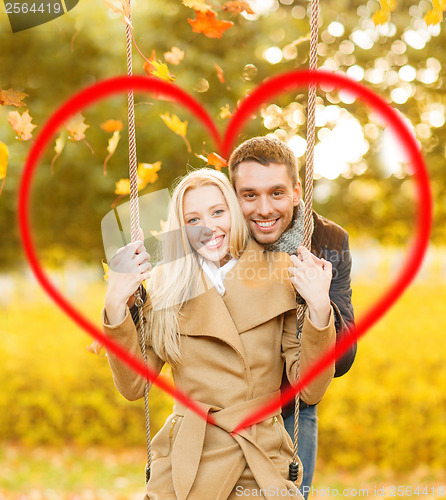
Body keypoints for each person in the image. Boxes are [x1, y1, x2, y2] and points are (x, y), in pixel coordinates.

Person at [103, 168, 336, 499]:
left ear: (234, 213)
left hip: (260, 458)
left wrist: (319, 309)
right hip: (188, 458)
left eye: (218, 212)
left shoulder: (283, 272)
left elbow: (310, 390)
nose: (209, 228)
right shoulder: (166, 287)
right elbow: (133, 386)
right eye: (193, 219)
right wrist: (115, 305)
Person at [227, 136, 356, 498]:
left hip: (290, 412)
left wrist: (317, 306)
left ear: (297, 192)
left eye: (277, 193)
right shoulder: (216, 235)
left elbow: (343, 360)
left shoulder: (327, 240)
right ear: (232, 194)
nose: (264, 209)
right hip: (224, 412)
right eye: (249, 195)